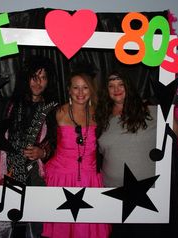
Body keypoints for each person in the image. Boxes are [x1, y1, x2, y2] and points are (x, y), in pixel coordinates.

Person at [95, 70, 178, 238]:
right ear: (106, 91)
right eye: (111, 86)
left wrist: (167, 108)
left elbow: (176, 133)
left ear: (129, 86)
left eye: (121, 84)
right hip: (113, 195)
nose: (116, 89)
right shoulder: (101, 117)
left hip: (147, 195)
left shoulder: (149, 110)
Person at [42, 65, 111, 238]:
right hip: (60, 177)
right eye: (76, 87)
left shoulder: (100, 114)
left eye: (85, 87)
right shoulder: (57, 112)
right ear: (69, 90)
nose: (81, 92)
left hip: (91, 179)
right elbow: (44, 140)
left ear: (91, 89)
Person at [0, 55, 58, 238]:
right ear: (26, 78)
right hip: (9, 171)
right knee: (8, 223)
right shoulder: (9, 105)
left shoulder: (52, 108)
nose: (38, 83)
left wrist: (43, 151)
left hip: (35, 175)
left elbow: (56, 141)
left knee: (36, 224)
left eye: (43, 77)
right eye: (34, 77)